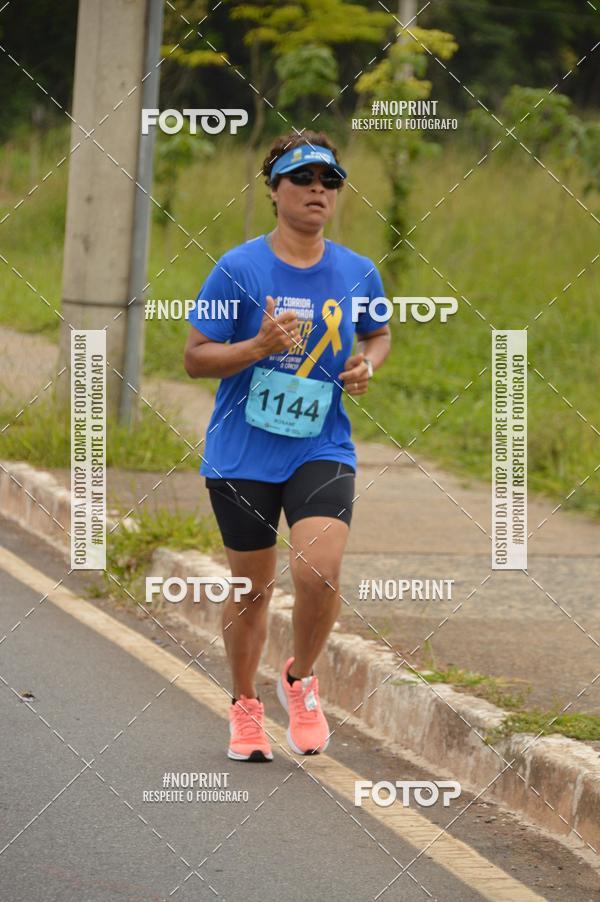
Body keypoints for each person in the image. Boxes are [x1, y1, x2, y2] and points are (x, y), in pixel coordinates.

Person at [184, 131, 391, 761]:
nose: (318, 191)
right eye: (303, 179)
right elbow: (195, 359)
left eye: (330, 181)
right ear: (274, 191)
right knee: (252, 592)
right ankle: (245, 706)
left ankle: (300, 678)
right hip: (243, 451)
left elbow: (376, 333)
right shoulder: (238, 268)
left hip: (320, 446)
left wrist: (366, 366)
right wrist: (256, 348)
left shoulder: (358, 270)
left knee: (320, 573)